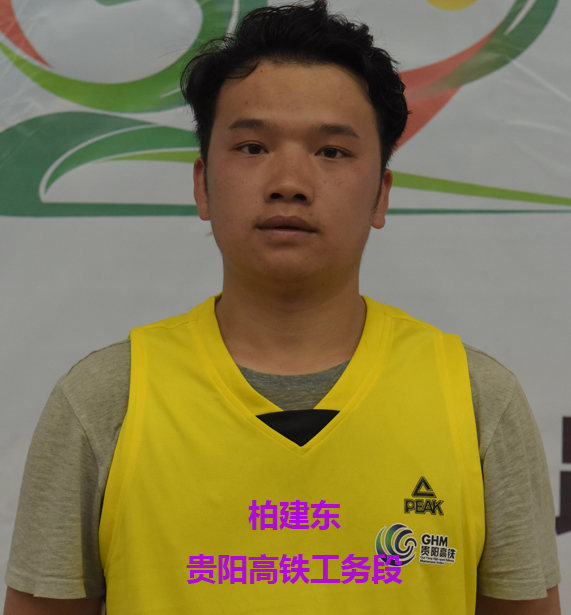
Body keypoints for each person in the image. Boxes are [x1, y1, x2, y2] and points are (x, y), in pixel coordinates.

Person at [3, 1, 561, 614]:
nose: (289, 182)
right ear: (202, 185)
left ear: (381, 195)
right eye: (252, 147)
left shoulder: (478, 403)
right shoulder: (106, 400)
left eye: (332, 152)